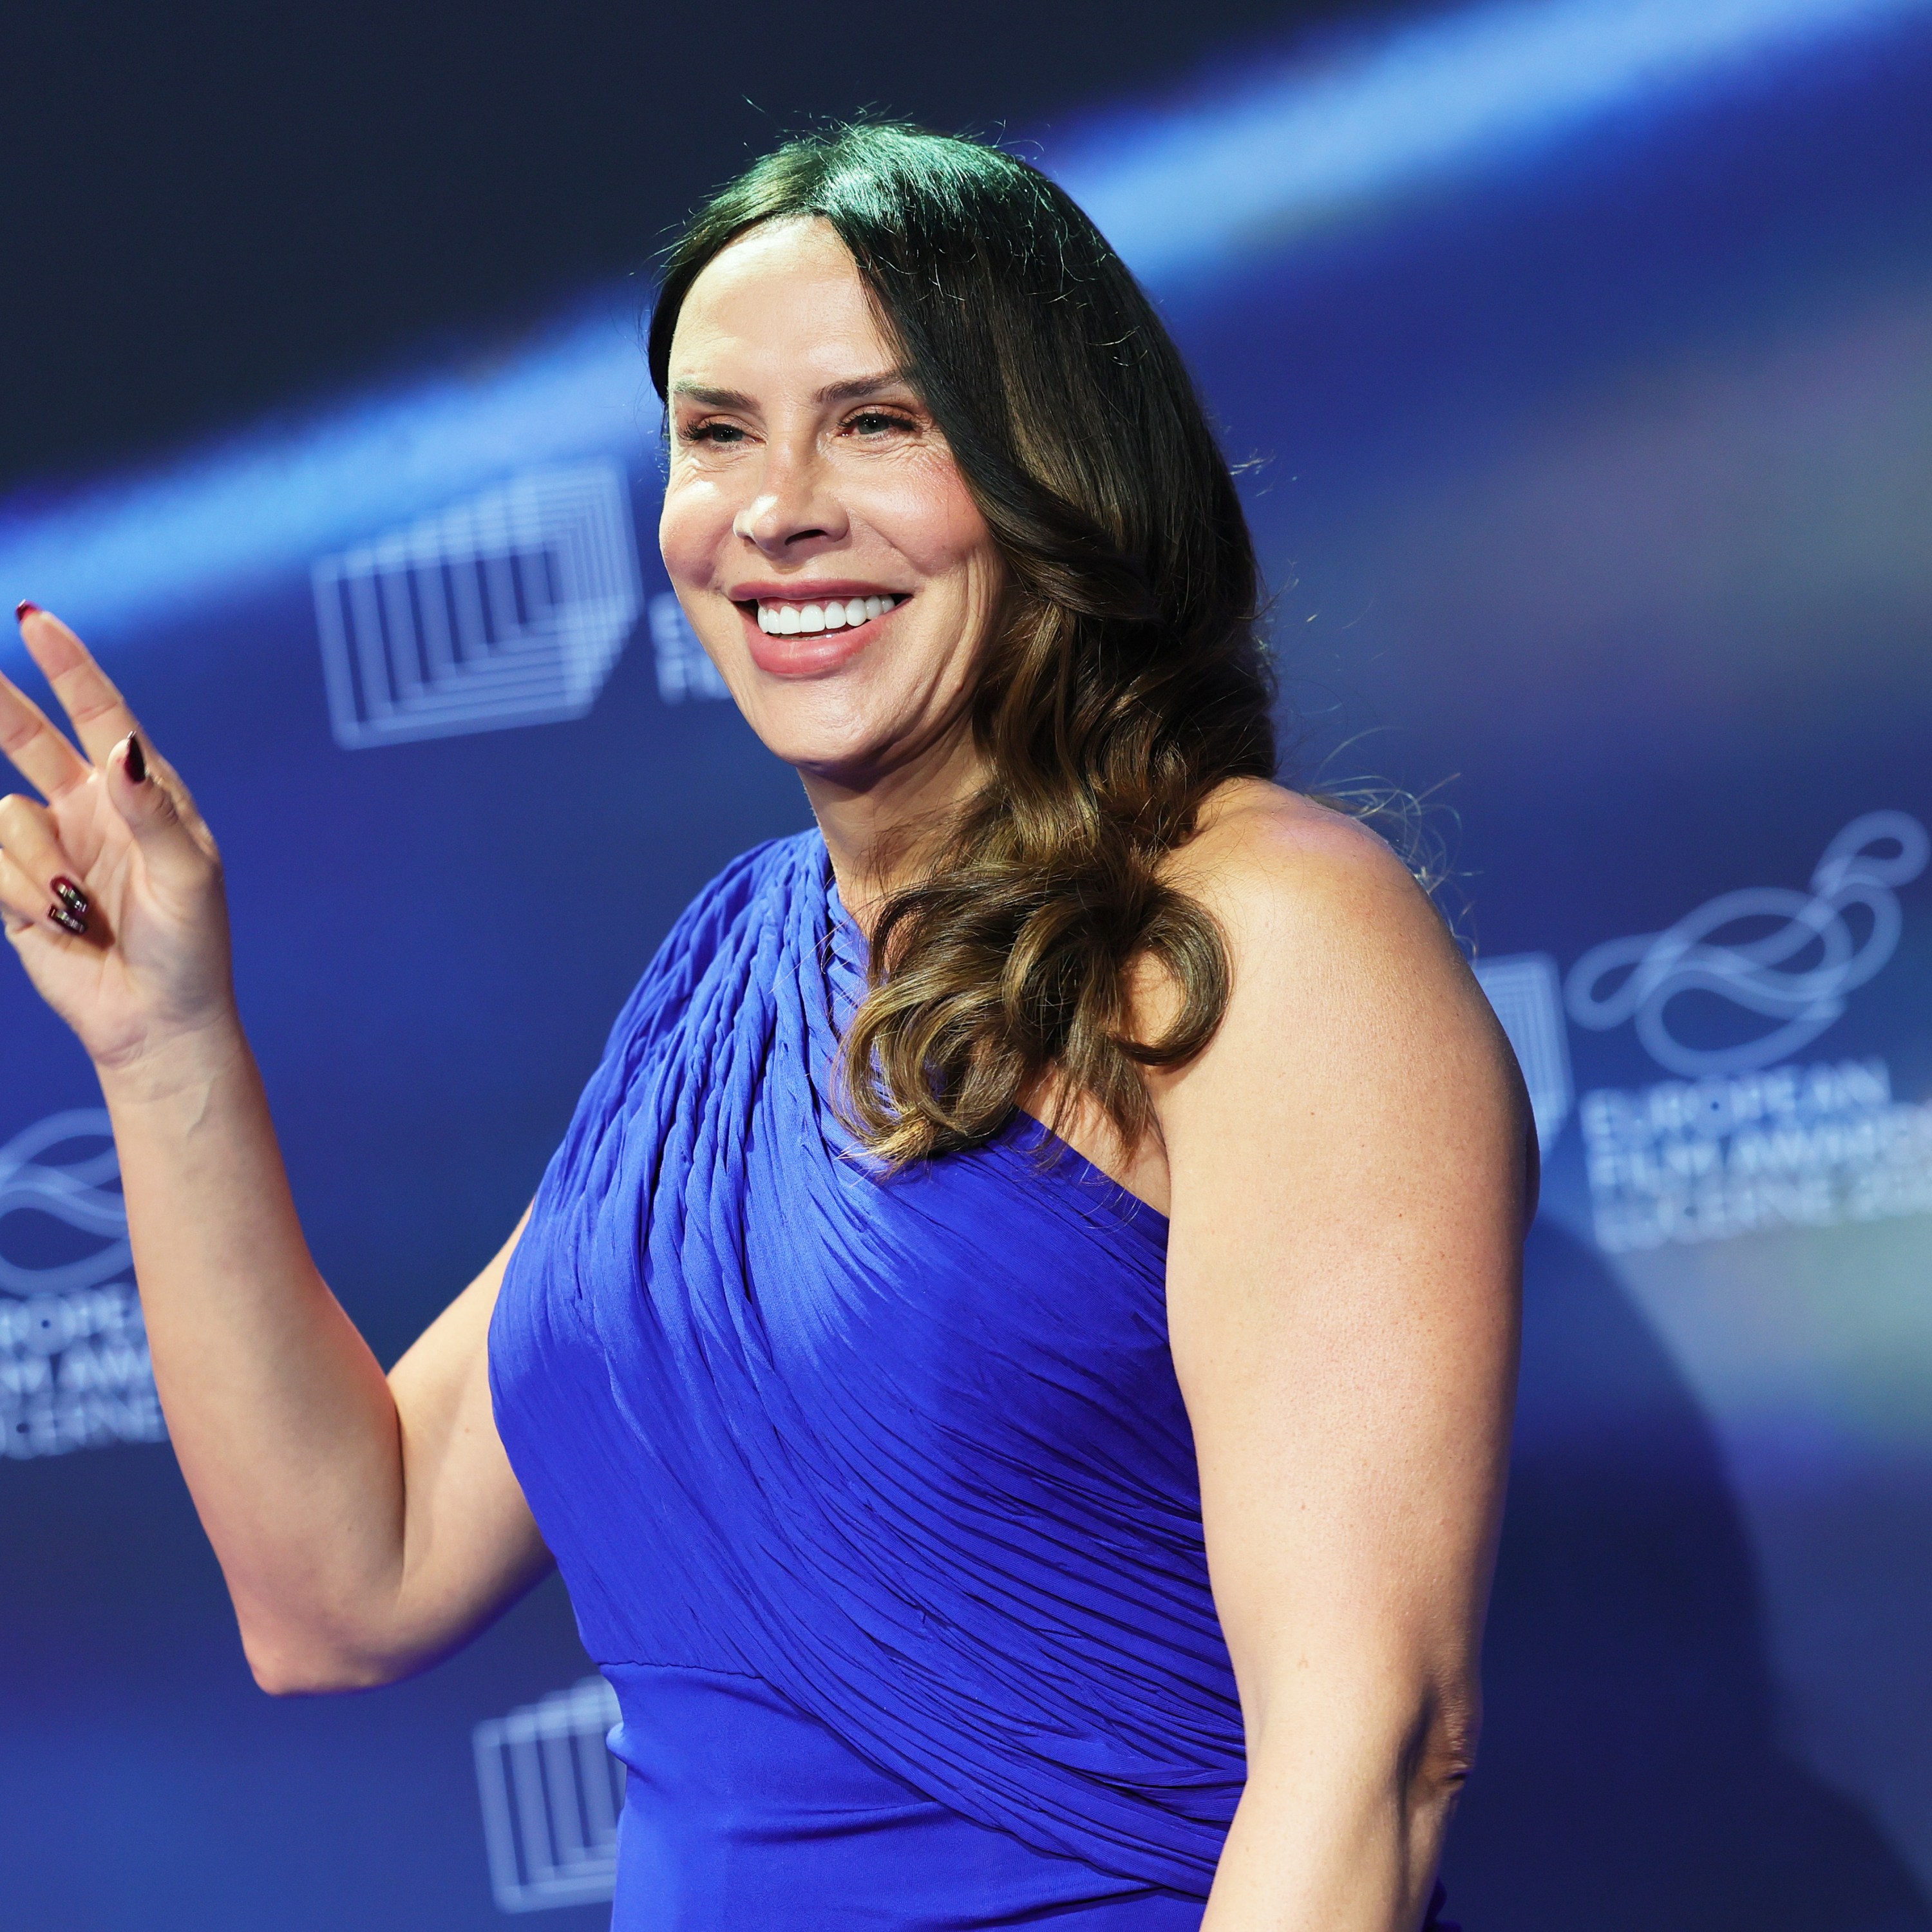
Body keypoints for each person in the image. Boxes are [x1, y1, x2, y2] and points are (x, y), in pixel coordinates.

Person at [0, 123, 1527, 1931]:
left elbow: (1374, 1752)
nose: (778, 506)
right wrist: (164, 1039)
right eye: (716, 432)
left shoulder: (1262, 939)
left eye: (879, 423)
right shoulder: (734, 971)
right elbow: (351, 1572)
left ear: (1061, 475)